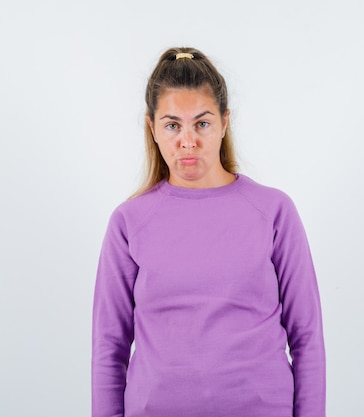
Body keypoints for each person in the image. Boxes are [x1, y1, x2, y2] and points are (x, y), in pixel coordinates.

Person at [91, 47, 325, 417]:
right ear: (151, 127)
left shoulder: (274, 211)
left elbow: (307, 337)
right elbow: (109, 347)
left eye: (202, 123)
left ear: (224, 122)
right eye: (172, 125)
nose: (188, 141)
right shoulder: (129, 221)